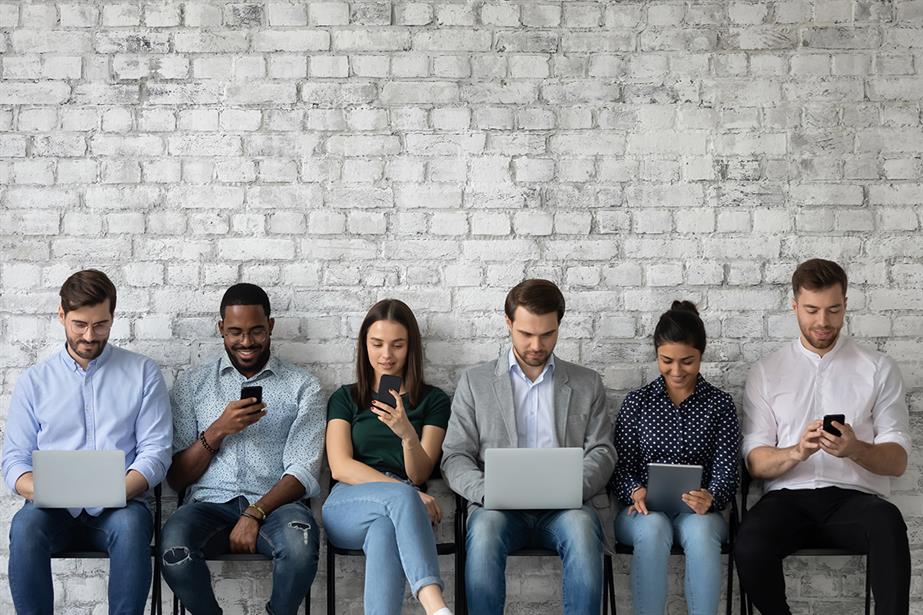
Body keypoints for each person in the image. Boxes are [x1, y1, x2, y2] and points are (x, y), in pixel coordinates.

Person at [735, 258, 912, 614]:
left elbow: (897, 462)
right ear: (794, 305)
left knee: (889, 524)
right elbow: (755, 461)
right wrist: (796, 452)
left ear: (845, 304)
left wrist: (855, 449)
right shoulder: (767, 371)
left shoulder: (877, 367)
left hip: (854, 501)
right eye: (812, 310)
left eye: (833, 310)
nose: (823, 322)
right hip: (788, 499)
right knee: (749, 540)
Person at [2, 269, 172, 615]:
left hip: (120, 506)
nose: (90, 335)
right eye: (80, 324)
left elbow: (156, 452)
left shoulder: (142, 372)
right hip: (50, 509)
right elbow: (14, 460)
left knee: (130, 526)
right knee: (24, 526)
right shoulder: (35, 381)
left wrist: (113, 491)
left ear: (112, 316)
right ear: (61, 315)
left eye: (101, 325)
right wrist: (46, 490)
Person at [441, 279, 616, 615]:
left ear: (559, 327)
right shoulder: (475, 382)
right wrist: (487, 491)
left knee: (581, 529)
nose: (537, 344)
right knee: (485, 531)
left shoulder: (586, 382)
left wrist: (571, 487)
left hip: (567, 509)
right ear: (508, 323)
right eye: (526, 334)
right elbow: (455, 455)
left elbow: (603, 451)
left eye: (547, 334)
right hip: (498, 509)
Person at [160, 283, 325, 615]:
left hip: (276, 508)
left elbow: (302, 469)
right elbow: (176, 479)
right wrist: (219, 430)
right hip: (207, 507)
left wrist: (255, 512)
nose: (246, 342)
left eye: (256, 331)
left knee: (301, 542)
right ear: (221, 328)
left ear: (271, 326)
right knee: (173, 551)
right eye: (235, 331)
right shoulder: (193, 384)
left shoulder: (303, 386)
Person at [323, 299, 454, 615]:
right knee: (400, 498)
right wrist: (404, 492)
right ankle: (435, 606)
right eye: (377, 344)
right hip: (348, 503)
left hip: (403, 508)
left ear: (411, 348)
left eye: (397, 345)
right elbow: (340, 467)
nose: (386, 355)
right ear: (364, 346)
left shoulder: (432, 401)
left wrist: (407, 433)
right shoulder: (346, 398)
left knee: (384, 529)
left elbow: (420, 474)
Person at [612, 301, 739, 615]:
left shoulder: (719, 405)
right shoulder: (637, 403)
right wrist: (634, 490)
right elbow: (620, 465)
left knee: (701, 532)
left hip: (698, 513)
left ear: (701, 355)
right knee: (653, 529)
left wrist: (711, 496)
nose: (677, 371)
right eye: (667, 361)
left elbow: (727, 470)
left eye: (688, 361)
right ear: (656, 354)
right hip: (642, 512)